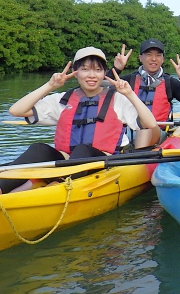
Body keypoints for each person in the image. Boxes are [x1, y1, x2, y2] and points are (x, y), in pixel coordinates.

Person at [2, 47, 159, 194]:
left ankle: (56, 186)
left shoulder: (117, 99)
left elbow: (150, 124)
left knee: (83, 149)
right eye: (85, 69)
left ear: (104, 73)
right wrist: (50, 85)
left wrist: (130, 94)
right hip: (66, 160)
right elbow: (16, 110)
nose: (91, 75)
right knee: (39, 149)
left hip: (102, 164)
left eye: (98, 70)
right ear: (75, 72)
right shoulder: (63, 100)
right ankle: (3, 186)